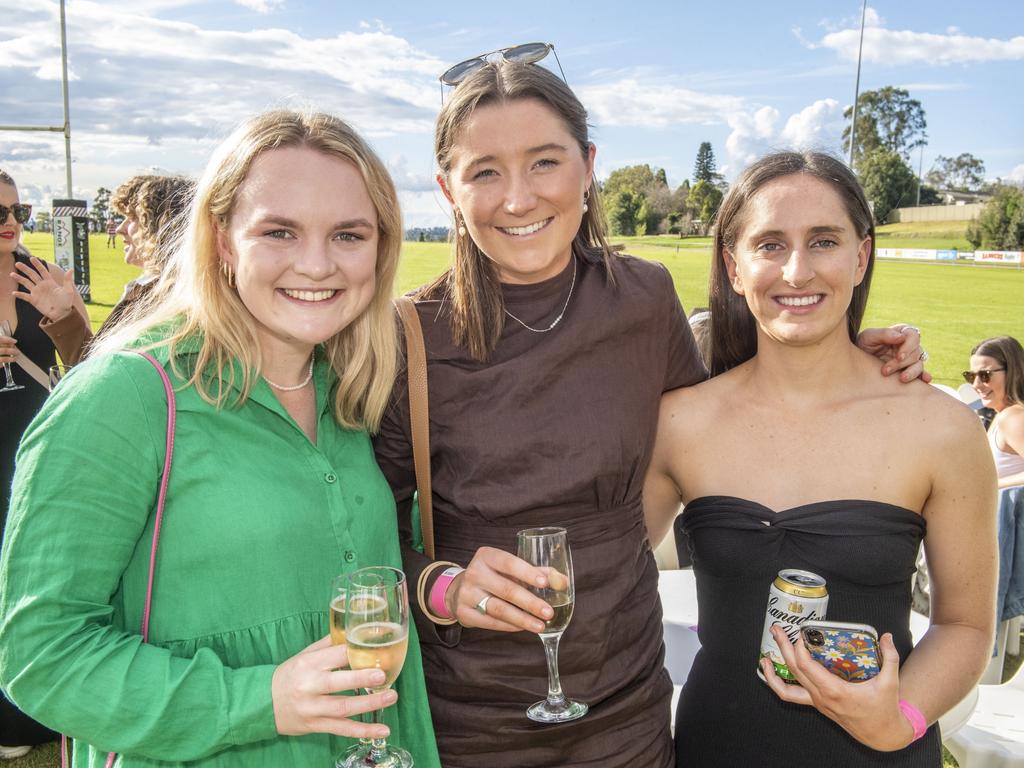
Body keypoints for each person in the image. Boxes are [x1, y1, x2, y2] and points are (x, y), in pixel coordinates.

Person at [372, 55, 928, 768]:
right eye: (485, 172)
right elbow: (354, 535)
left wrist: (852, 355)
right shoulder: (410, 336)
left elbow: (731, 418)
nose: (517, 198)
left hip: (627, 710)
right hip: (469, 721)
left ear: (589, 165)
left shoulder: (643, 298)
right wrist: (443, 586)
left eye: (544, 162)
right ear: (448, 188)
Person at [0, 111, 440, 768]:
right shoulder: (124, 397)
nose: (317, 264)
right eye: (279, 231)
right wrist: (255, 699)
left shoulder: (350, 391)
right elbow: (39, 652)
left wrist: (447, 585)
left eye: (349, 234)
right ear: (223, 239)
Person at [644, 151, 997, 767]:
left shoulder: (941, 428)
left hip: (882, 755)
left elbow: (965, 626)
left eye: (824, 242)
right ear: (734, 266)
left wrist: (899, 718)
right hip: (716, 748)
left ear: (861, 257)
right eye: (771, 244)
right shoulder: (680, 422)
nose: (798, 270)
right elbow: (601, 570)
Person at [0, 168, 92, 760]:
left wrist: (69, 318)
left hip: (35, 447)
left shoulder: (36, 274)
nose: (10, 225)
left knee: (30, 576)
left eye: (17, 212)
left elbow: (90, 365)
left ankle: (29, 717)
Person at [95, 174, 195, 341]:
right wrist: (65, 317)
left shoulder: (170, 302)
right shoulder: (148, 289)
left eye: (132, 218)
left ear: (162, 227)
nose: (120, 228)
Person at [967, 336, 1024, 625]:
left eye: (986, 374)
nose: (977, 384)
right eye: (971, 375)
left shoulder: (1012, 418)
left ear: (1012, 370)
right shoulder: (1001, 416)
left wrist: (994, 487)